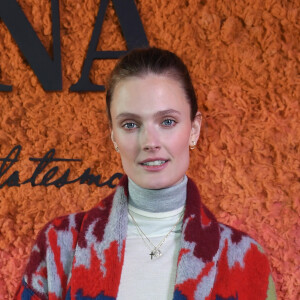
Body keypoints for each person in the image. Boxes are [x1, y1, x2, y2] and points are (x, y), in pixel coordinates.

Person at [15, 47, 276, 300]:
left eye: (167, 122)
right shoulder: (58, 244)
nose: (150, 142)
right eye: (130, 124)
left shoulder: (246, 257)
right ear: (114, 136)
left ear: (194, 129)